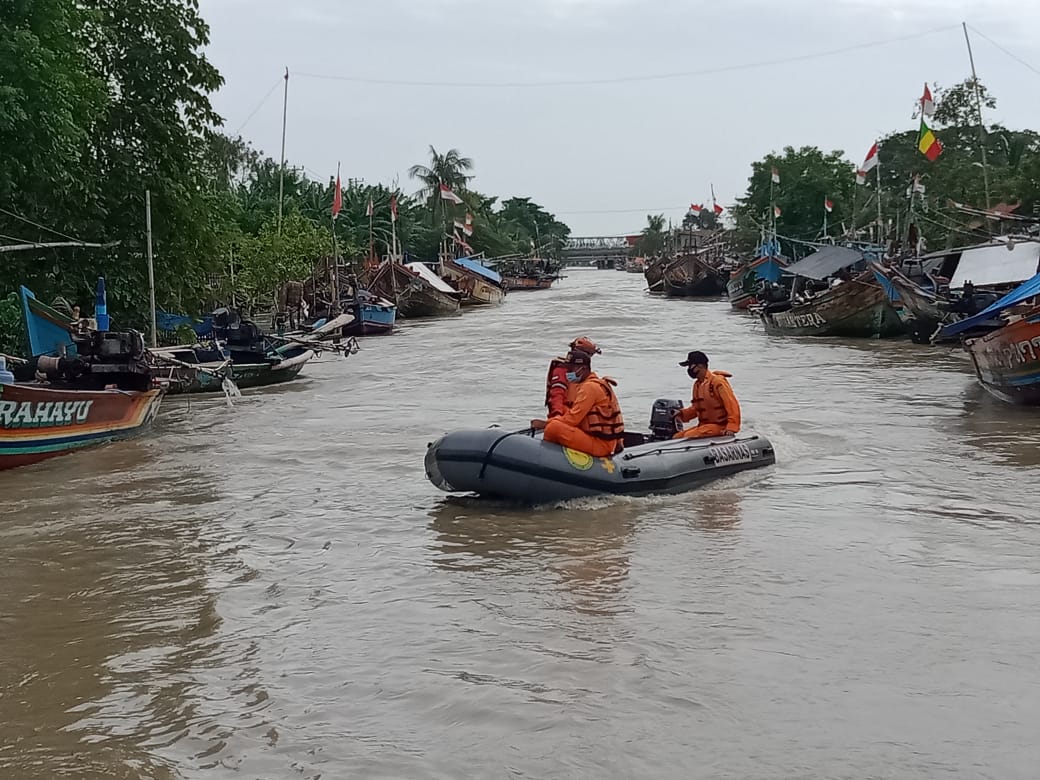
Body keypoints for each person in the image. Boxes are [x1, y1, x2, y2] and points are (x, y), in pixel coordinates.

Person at [533, 346, 625, 457]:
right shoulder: (598, 383)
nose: (567, 373)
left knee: (553, 428)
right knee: (564, 412)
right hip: (607, 442)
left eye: (570, 369)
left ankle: (547, 457)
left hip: (600, 445)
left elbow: (572, 420)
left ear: (583, 368)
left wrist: (545, 424)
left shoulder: (589, 388)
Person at [673, 350, 741, 439]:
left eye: (690, 365)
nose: (689, 369)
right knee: (677, 437)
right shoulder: (697, 385)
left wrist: (731, 428)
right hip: (704, 426)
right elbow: (697, 408)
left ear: (700, 365)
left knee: (688, 436)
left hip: (720, 426)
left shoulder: (717, 382)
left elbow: (732, 405)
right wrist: (681, 414)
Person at [542, 337, 602, 419]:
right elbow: (557, 394)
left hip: (575, 412)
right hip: (564, 413)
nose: (589, 357)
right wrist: (557, 415)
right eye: (589, 354)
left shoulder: (582, 371)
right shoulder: (561, 370)